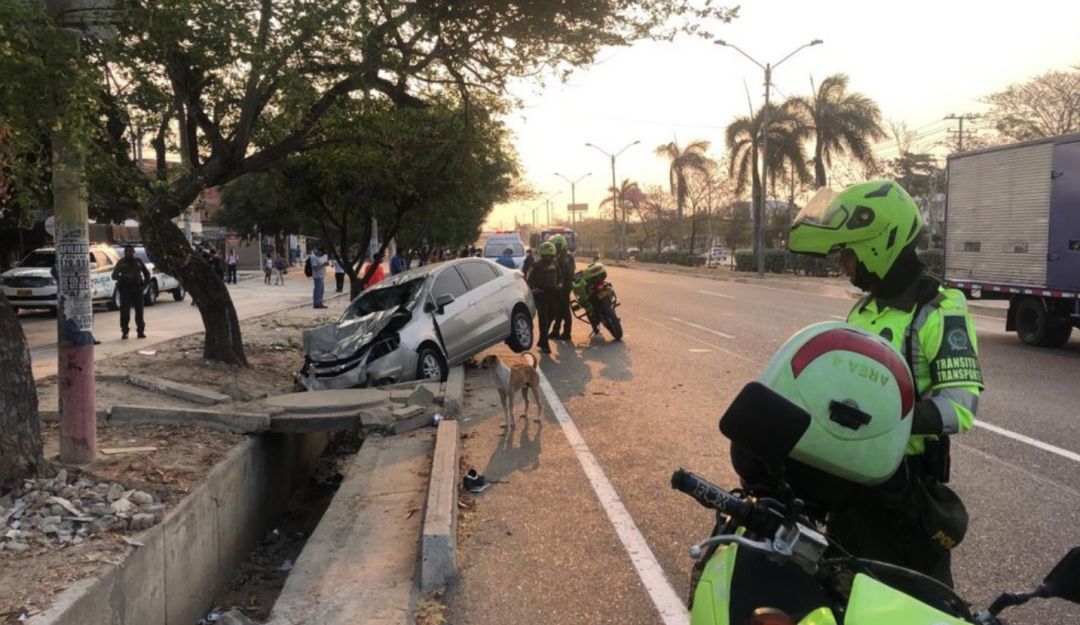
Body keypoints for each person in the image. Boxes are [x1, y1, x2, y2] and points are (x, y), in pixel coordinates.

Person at [739, 179, 982, 587]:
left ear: (878, 244)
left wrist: (882, 420)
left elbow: (960, 406)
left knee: (913, 601)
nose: (843, 264)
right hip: (850, 471)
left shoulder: (939, 309)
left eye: (847, 253)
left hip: (899, 489)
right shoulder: (865, 309)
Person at [111, 244, 151, 339]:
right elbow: (114, 276)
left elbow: (147, 274)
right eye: (127, 251)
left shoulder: (138, 262)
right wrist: (124, 277)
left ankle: (140, 331)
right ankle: (125, 331)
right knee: (125, 313)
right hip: (125, 290)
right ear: (125, 253)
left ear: (133, 252)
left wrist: (145, 285)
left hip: (137, 290)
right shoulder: (121, 262)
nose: (129, 253)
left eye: (131, 251)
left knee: (139, 312)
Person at [527, 242, 559, 353]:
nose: (547, 258)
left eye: (549, 256)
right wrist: (533, 288)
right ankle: (545, 344)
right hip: (541, 296)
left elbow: (560, 276)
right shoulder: (535, 265)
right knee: (543, 320)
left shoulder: (555, 264)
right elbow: (529, 279)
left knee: (553, 316)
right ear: (541, 255)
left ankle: (542, 339)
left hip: (553, 294)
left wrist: (560, 283)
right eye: (545, 256)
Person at [549, 235, 575, 340]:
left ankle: (567, 333)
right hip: (565, 285)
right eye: (556, 246)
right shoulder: (567, 256)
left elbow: (560, 274)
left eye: (558, 246)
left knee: (564, 310)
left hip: (564, 286)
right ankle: (556, 331)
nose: (557, 248)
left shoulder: (562, 258)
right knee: (559, 309)